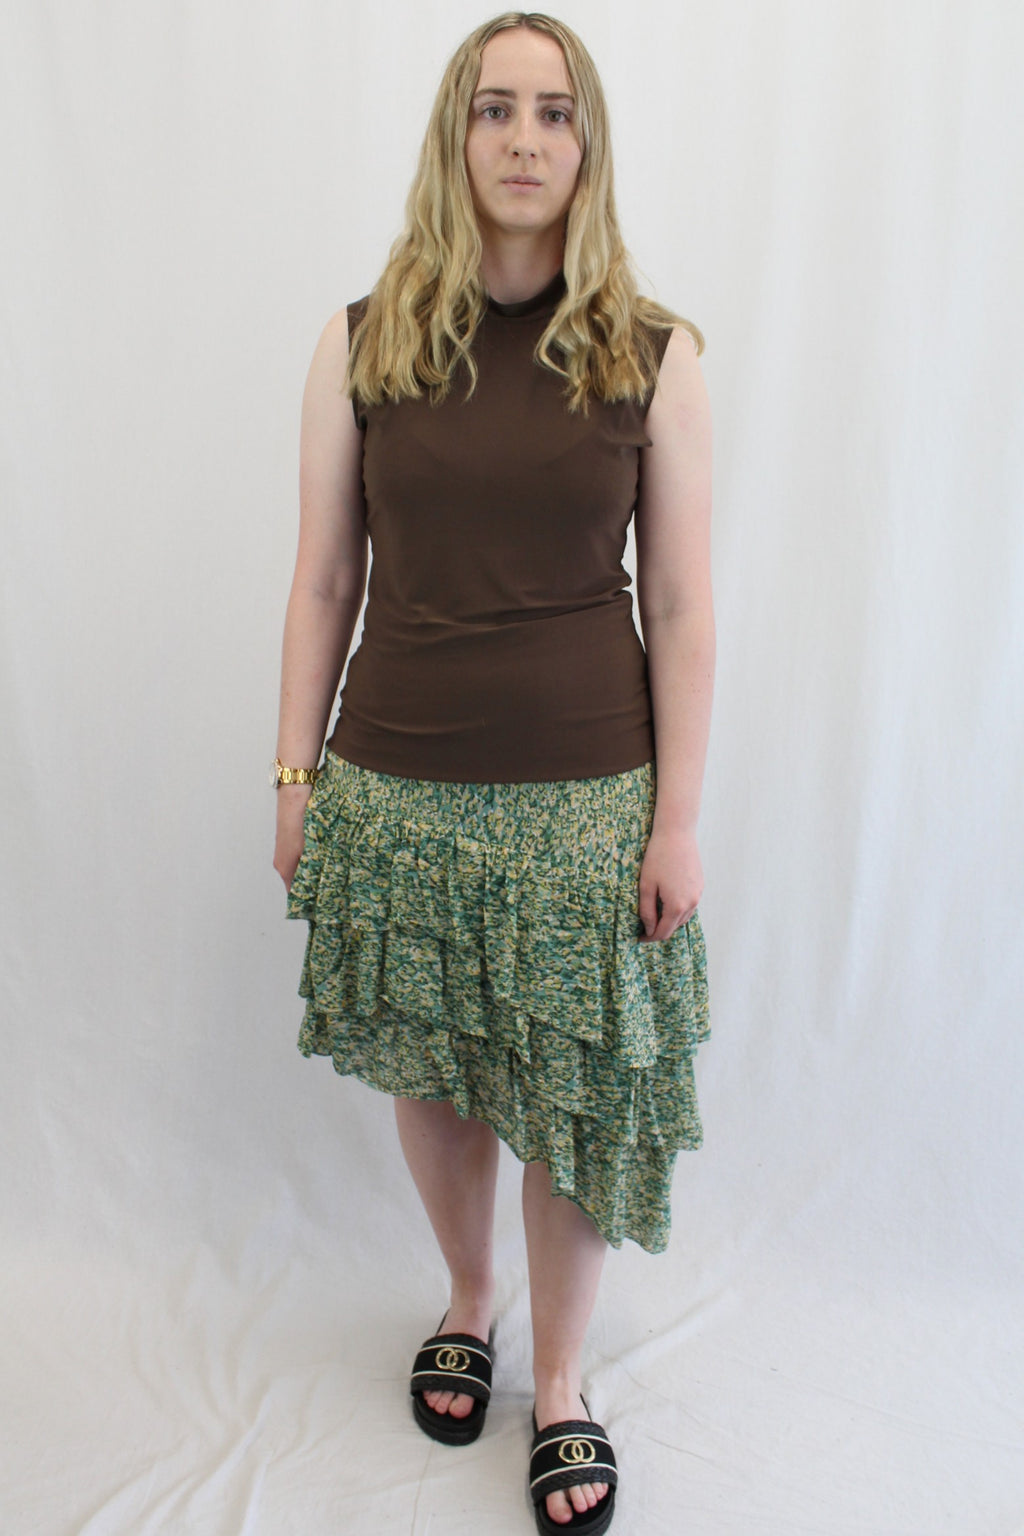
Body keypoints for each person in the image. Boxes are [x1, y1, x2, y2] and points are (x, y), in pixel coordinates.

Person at [272, 12, 713, 1533]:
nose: (525, 138)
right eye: (495, 109)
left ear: (589, 145)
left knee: (579, 1104)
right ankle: (471, 1299)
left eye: (555, 111)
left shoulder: (654, 354)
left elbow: (686, 610)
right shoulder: (364, 341)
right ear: (454, 137)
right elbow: (322, 580)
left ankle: (565, 1380)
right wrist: (294, 777)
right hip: (396, 789)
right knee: (439, 1085)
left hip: (590, 802)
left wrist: (676, 821)